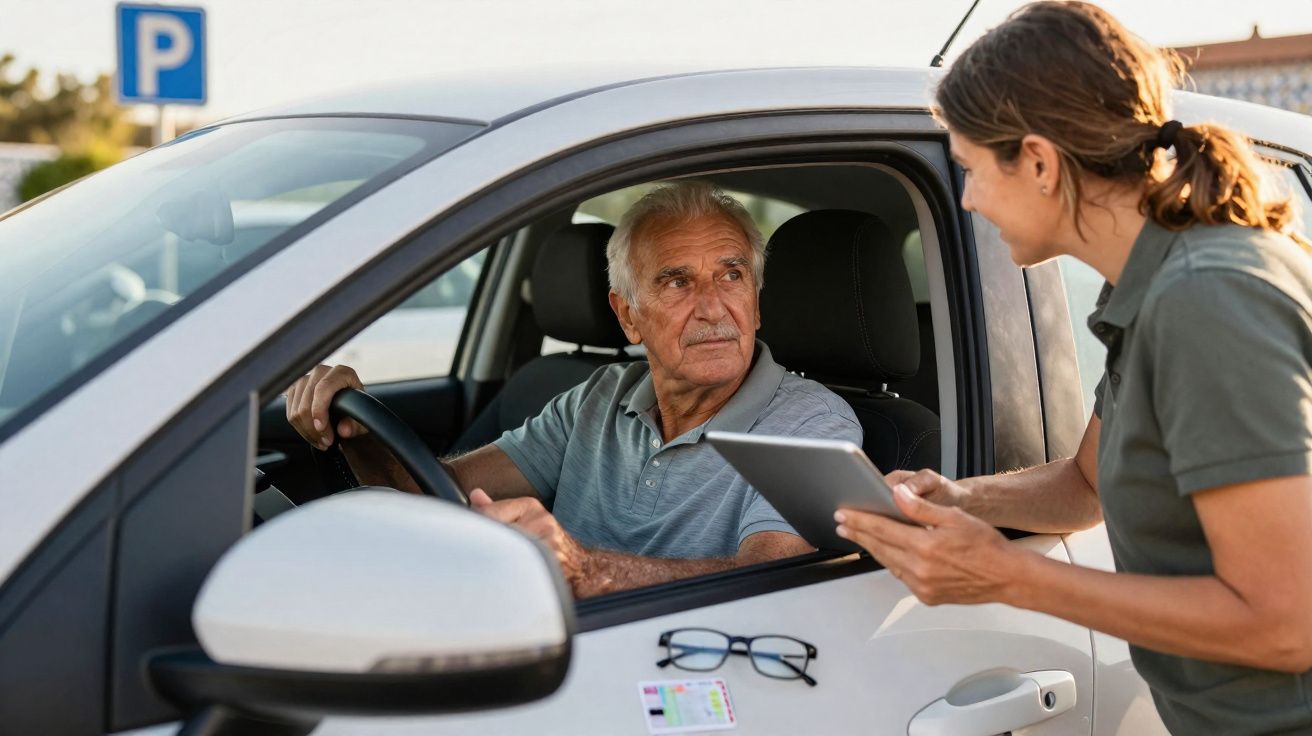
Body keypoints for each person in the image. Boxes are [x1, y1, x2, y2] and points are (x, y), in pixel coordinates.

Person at [834, 3, 1312, 734]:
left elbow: (1286, 624)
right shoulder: (1150, 287)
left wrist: (1008, 576)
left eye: (969, 169)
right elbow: (1087, 485)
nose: (964, 198)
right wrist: (956, 499)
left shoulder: (1207, 299)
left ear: (1039, 162)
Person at [286, 181, 861, 598]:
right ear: (628, 316)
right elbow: (443, 491)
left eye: (731, 275)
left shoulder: (812, 423)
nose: (713, 307)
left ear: (756, 301)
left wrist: (588, 571)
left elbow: (770, 585)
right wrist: (359, 435)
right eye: (677, 281)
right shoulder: (598, 398)